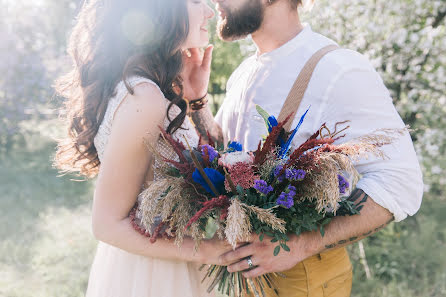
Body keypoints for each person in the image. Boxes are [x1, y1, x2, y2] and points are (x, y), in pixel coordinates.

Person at [188, 0, 424, 296]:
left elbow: (400, 182)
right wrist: (197, 102)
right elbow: (224, 154)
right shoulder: (245, 71)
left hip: (305, 279)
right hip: (244, 277)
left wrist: (301, 244)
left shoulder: (339, 69)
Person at [54, 0, 234, 296]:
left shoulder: (149, 90)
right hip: (154, 276)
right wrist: (208, 251)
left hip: (164, 261)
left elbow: (208, 165)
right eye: (197, 1)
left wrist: (195, 99)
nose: (209, 11)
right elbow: (106, 224)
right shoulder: (144, 98)